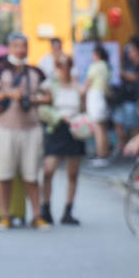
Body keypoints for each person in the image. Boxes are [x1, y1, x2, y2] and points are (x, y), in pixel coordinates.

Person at [0, 32, 52, 230]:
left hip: (31, 129)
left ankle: (36, 216)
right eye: (16, 45)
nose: (21, 49)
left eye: (24, 45)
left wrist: (33, 99)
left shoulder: (36, 72)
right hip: (6, 129)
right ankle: (5, 216)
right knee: (4, 174)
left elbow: (49, 96)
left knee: (32, 174)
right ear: (10, 48)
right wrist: (8, 93)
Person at [39, 55, 84, 225]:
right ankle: (46, 208)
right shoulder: (50, 85)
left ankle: (68, 210)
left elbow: (84, 107)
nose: (64, 67)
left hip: (75, 129)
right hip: (57, 127)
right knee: (48, 170)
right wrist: (59, 117)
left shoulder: (77, 87)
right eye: (60, 64)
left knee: (73, 173)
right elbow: (43, 108)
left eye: (67, 64)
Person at [82, 44, 111, 167]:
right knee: (103, 127)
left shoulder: (95, 66)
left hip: (94, 96)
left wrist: (81, 94)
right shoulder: (106, 66)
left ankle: (100, 155)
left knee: (98, 127)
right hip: (102, 96)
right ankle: (105, 153)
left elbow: (88, 83)